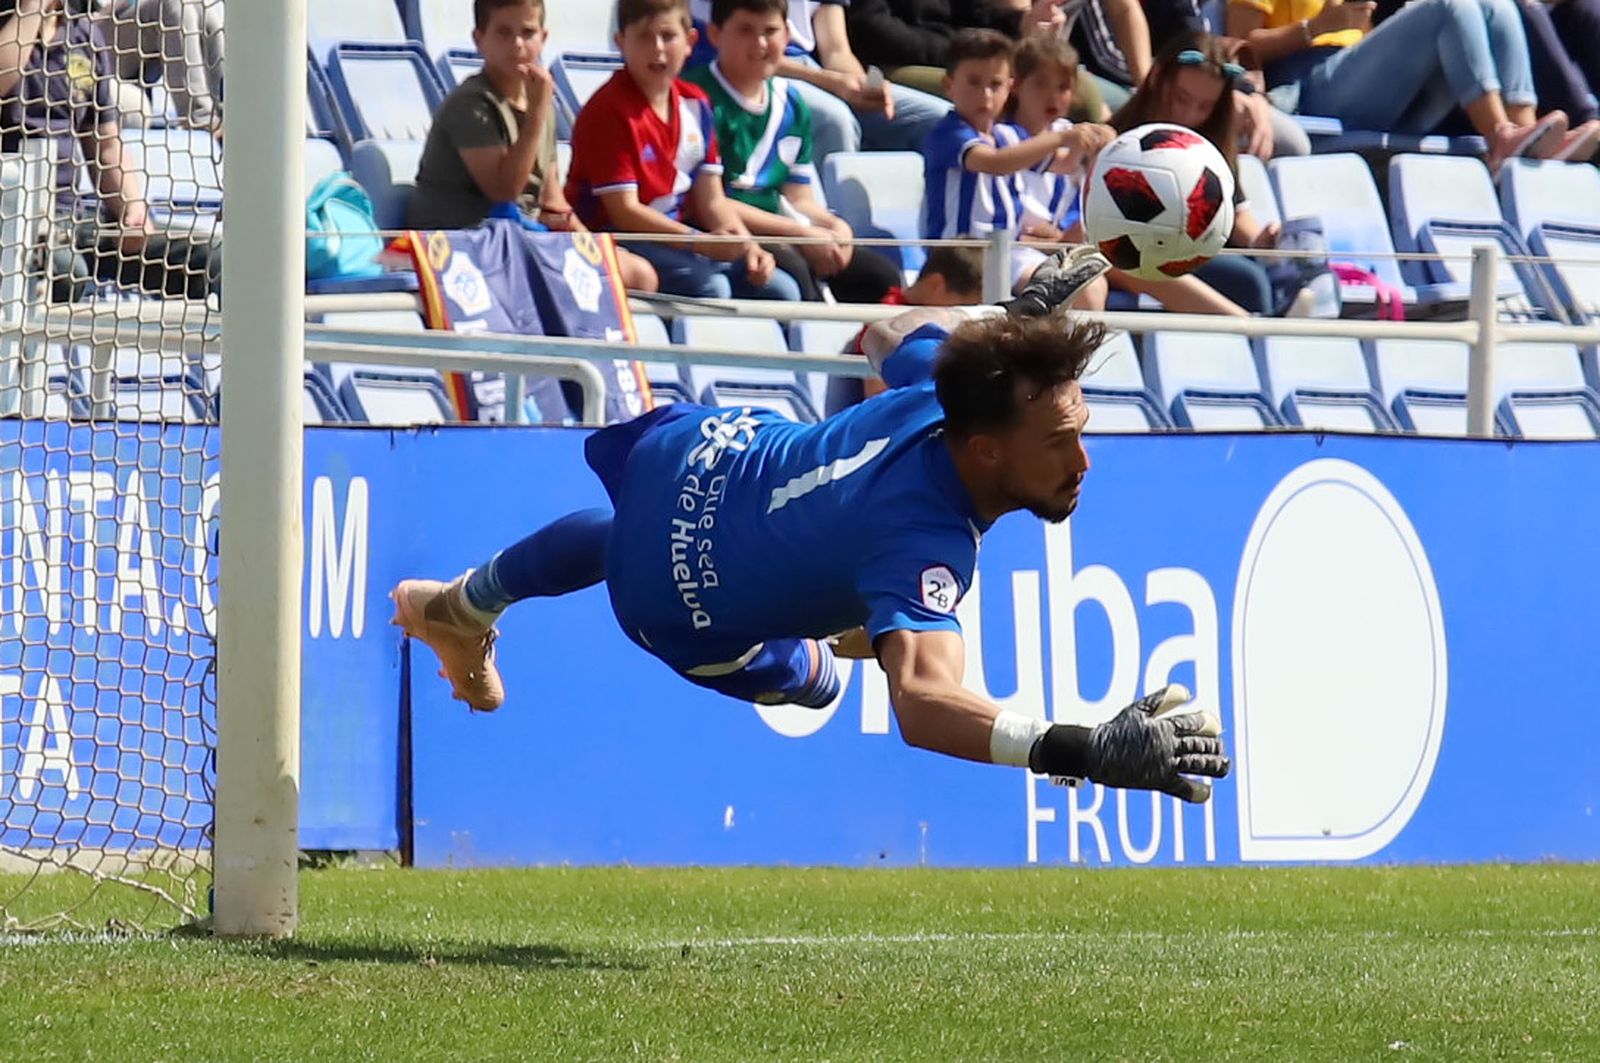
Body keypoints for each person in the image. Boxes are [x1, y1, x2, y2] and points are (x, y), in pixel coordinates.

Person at [391, 245, 1232, 804]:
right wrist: (1080, 750)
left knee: (635, 531)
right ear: (982, 449)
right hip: (670, 601)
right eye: (1059, 443)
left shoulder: (929, 389)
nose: (1083, 464)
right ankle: (849, 628)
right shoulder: (925, 545)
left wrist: (1004, 324)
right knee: (820, 681)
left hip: (687, 450)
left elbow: (887, 329)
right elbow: (927, 705)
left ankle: (466, 605)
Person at [409, 0, 657, 292]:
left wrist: (592, 247)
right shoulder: (471, 104)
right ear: (479, 40)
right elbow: (504, 191)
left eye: (527, 33)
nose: (517, 45)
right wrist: (537, 111)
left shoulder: (539, 101)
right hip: (464, 242)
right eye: (503, 33)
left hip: (522, 237)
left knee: (639, 275)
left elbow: (553, 201)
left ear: (543, 38)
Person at [565, 0, 801, 301]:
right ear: (621, 43)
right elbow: (624, 213)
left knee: (783, 290)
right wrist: (698, 242)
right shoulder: (608, 110)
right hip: (619, 237)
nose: (658, 49)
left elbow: (711, 200)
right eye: (644, 37)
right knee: (712, 289)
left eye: (668, 36)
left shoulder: (696, 103)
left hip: (679, 236)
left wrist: (747, 247)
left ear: (690, 42)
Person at [1008, 33, 1247, 315]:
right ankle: (1251, 326)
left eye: (1063, 87)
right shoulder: (1009, 142)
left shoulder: (1069, 136)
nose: (1189, 114)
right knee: (1130, 265)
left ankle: (1254, 326)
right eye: (1181, 98)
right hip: (1041, 253)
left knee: (1245, 279)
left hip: (1088, 247)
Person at [0, 0, 219, 302]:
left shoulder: (84, 36)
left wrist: (133, 210)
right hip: (10, 217)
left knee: (213, 259)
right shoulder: (9, 29)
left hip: (68, 217)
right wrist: (32, 8)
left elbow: (106, 147)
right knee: (64, 272)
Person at [684, 0, 902, 304]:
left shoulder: (791, 103)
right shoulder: (696, 100)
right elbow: (707, 203)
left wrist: (834, 227)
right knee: (797, 277)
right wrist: (798, 234)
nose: (760, 43)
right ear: (716, 34)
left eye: (770, 31)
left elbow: (800, 198)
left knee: (880, 278)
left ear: (787, 36)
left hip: (781, 226)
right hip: (726, 231)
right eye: (745, 31)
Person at [1226, 0, 1589, 169]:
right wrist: (1314, 29)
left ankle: (1526, 136)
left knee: (1498, 6)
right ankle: (1501, 140)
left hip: (1364, 83)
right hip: (1305, 90)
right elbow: (1238, 45)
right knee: (1450, 7)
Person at [920, 29, 1115, 295]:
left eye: (995, 84)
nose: (986, 96)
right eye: (974, 83)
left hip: (1003, 253)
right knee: (1077, 291)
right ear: (949, 86)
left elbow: (1064, 165)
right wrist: (1061, 137)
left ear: (1009, 88)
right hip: (958, 258)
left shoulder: (1008, 135)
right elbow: (994, 163)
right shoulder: (949, 133)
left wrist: (1096, 143)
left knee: (1089, 286)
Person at [1111, 35, 1286, 315]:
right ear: (1157, 78)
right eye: (1181, 98)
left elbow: (1235, 211)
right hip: (1144, 254)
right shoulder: (1117, 141)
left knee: (1274, 273)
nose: (1190, 114)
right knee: (1248, 282)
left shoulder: (1211, 147)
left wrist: (1262, 240)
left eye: (1205, 106)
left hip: (1196, 251)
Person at [690, 0, 951, 157]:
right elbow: (749, 51)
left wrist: (863, 87)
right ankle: (837, 234)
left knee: (939, 120)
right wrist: (830, 81)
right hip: (751, 71)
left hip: (814, 71)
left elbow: (836, 50)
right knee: (834, 120)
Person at [91, 0, 223, 133]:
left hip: (124, 22)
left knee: (203, 9)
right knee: (172, 5)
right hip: (89, 41)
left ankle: (223, 113)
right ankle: (201, 121)